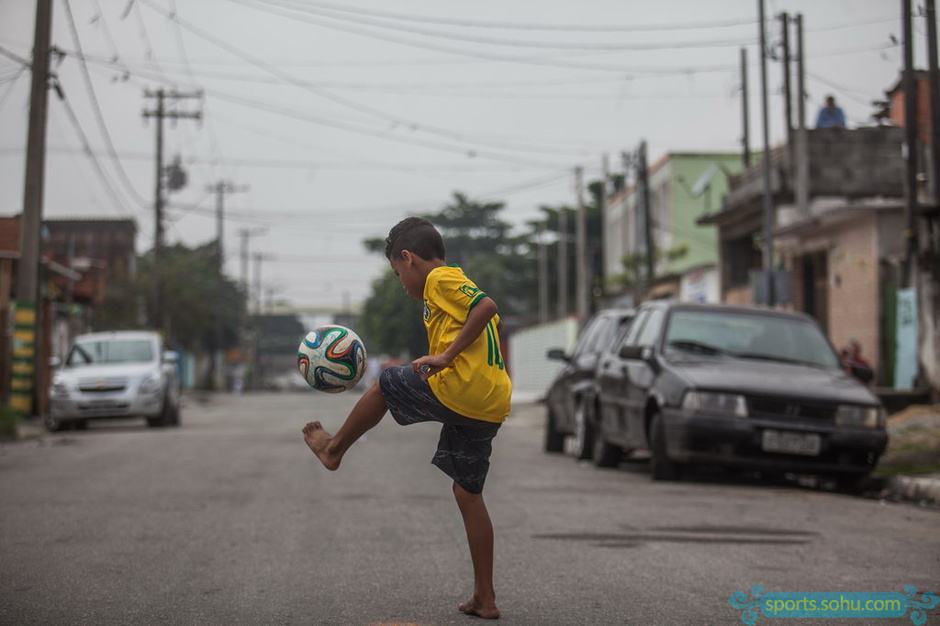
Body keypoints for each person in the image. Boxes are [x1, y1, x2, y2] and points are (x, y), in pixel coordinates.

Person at [302, 216, 511, 620]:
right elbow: (482, 315)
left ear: (409, 259)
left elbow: (487, 307)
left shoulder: (440, 280)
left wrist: (446, 357)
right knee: (468, 493)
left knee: (385, 383)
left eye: (398, 273)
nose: (401, 283)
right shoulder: (448, 286)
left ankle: (333, 448)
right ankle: (485, 599)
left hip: (462, 388)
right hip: (489, 400)